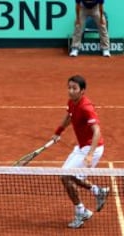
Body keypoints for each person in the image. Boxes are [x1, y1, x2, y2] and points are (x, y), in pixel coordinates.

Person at [51, 75, 109, 229]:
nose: (70, 91)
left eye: (74, 88)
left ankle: (81, 211)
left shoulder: (86, 108)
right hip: (81, 147)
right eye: (69, 87)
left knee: (66, 176)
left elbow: (97, 131)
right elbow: (69, 116)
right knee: (67, 177)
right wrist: (58, 131)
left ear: (82, 91)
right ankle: (98, 191)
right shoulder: (72, 102)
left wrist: (90, 154)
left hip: (92, 149)